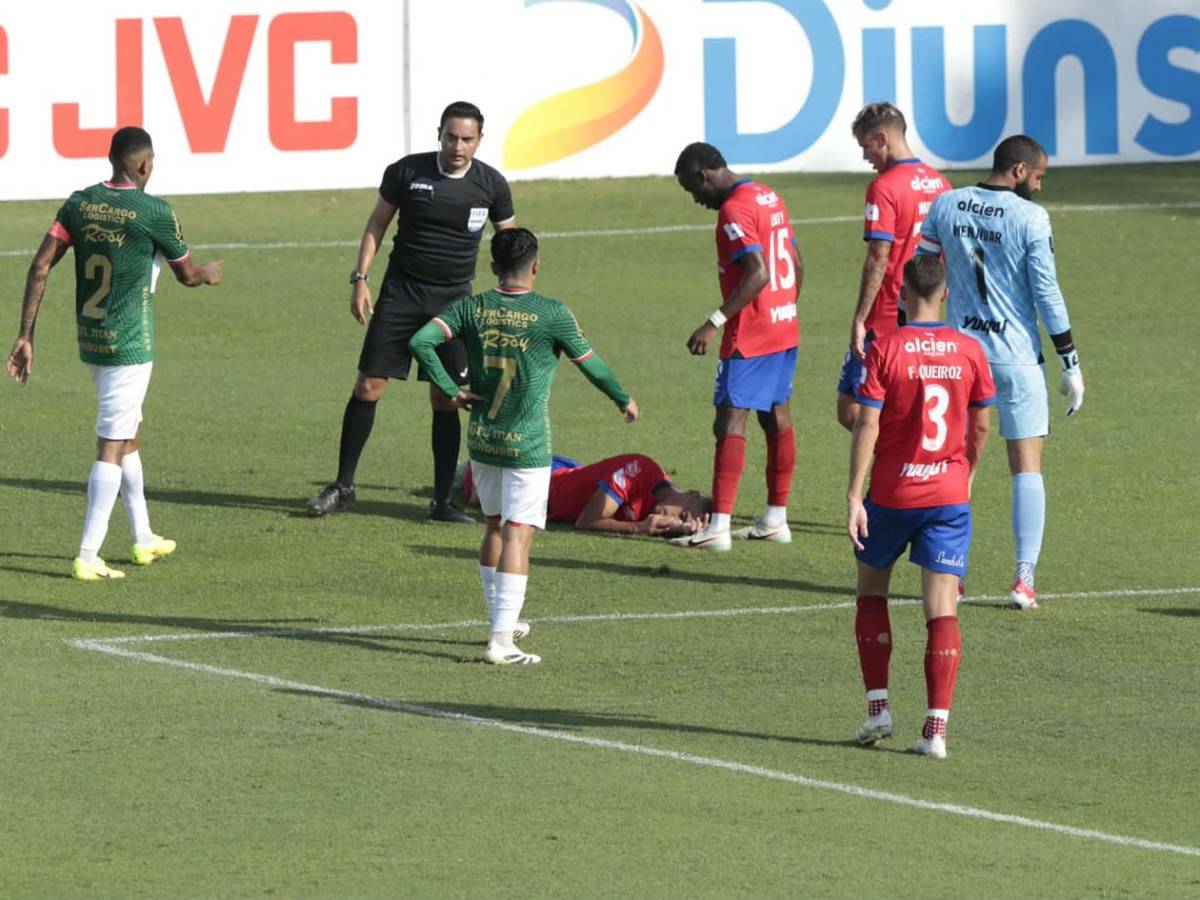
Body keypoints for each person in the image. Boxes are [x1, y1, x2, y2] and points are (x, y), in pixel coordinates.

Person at [409, 228, 637, 665]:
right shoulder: (551, 313)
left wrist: (449, 389)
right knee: (519, 532)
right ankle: (500, 641)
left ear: (493, 267)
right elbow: (592, 366)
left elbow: (421, 341)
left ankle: (502, 621)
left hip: (482, 440)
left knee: (493, 525)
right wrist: (622, 399)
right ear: (536, 265)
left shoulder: (471, 306)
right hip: (527, 446)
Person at [5, 126, 223, 580]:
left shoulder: (79, 203)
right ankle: (88, 554)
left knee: (129, 433)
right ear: (144, 165)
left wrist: (26, 334)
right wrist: (207, 274)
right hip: (129, 343)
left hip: (92, 339)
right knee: (111, 444)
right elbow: (185, 274)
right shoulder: (155, 212)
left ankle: (143, 536)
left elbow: (41, 263)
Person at [306, 100, 516, 523]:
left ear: (480, 140)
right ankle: (343, 486)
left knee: (446, 398)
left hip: (456, 304)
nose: (458, 146)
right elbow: (376, 226)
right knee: (369, 387)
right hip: (401, 295)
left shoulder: (492, 184)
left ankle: (441, 502)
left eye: (467, 139)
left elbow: (511, 246)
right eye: (451, 136)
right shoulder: (407, 172)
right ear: (439, 133)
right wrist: (360, 278)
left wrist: (510, 299)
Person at [916, 134, 1084, 610]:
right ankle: (1023, 580)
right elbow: (1047, 295)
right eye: (1038, 176)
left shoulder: (945, 205)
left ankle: (954, 571)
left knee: (958, 464)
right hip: (1015, 360)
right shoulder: (1030, 217)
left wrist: (916, 337)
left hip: (959, 358)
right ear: (1018, 171)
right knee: (1026, 466)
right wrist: (1070, 361)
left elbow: (921, 274)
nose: (1040, 186)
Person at [847, 256, 995, 759]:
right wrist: (966, 477)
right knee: (941, 609)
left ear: (902, 293)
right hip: (948, 496)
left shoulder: (885, 349)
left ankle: (878, 710)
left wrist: (853, 494)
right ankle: (936, 730)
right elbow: (980, 427)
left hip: (892, 494)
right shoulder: (970, 351)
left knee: (871, 591)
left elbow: (865, 424)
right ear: (947, 292)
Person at [673, 142, 803, 551]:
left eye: (693, 192)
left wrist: (714, 322)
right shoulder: (768, 195)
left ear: (702, 176)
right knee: (775, 416)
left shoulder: (734, 210)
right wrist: (784, 308)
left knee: (729, 420)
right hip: (784, 327)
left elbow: (758, 272)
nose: (696, 201)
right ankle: (775, 519)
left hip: (752, 333)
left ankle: (718, 528)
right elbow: (795, 262)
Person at [838, 102, 950, 431]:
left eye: (866, 146)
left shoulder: (885, 187)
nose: (865, 156)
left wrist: (860, 319)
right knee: (858, 405)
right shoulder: (940, 183)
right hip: (924, 313)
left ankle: (900, 467)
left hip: (886, 315)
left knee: (861, 410)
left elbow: (878, 256)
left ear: (883, 138)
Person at [460, 453, 711, 537]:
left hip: (562, 483)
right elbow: (586, 521)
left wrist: (684, 531)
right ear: (691, 493)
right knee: (474, 490)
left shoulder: (659, 509)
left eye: (682, 520)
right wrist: (638, 528)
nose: (676, 517)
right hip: (539, 480)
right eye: (684, 513)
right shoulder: (639, 470)